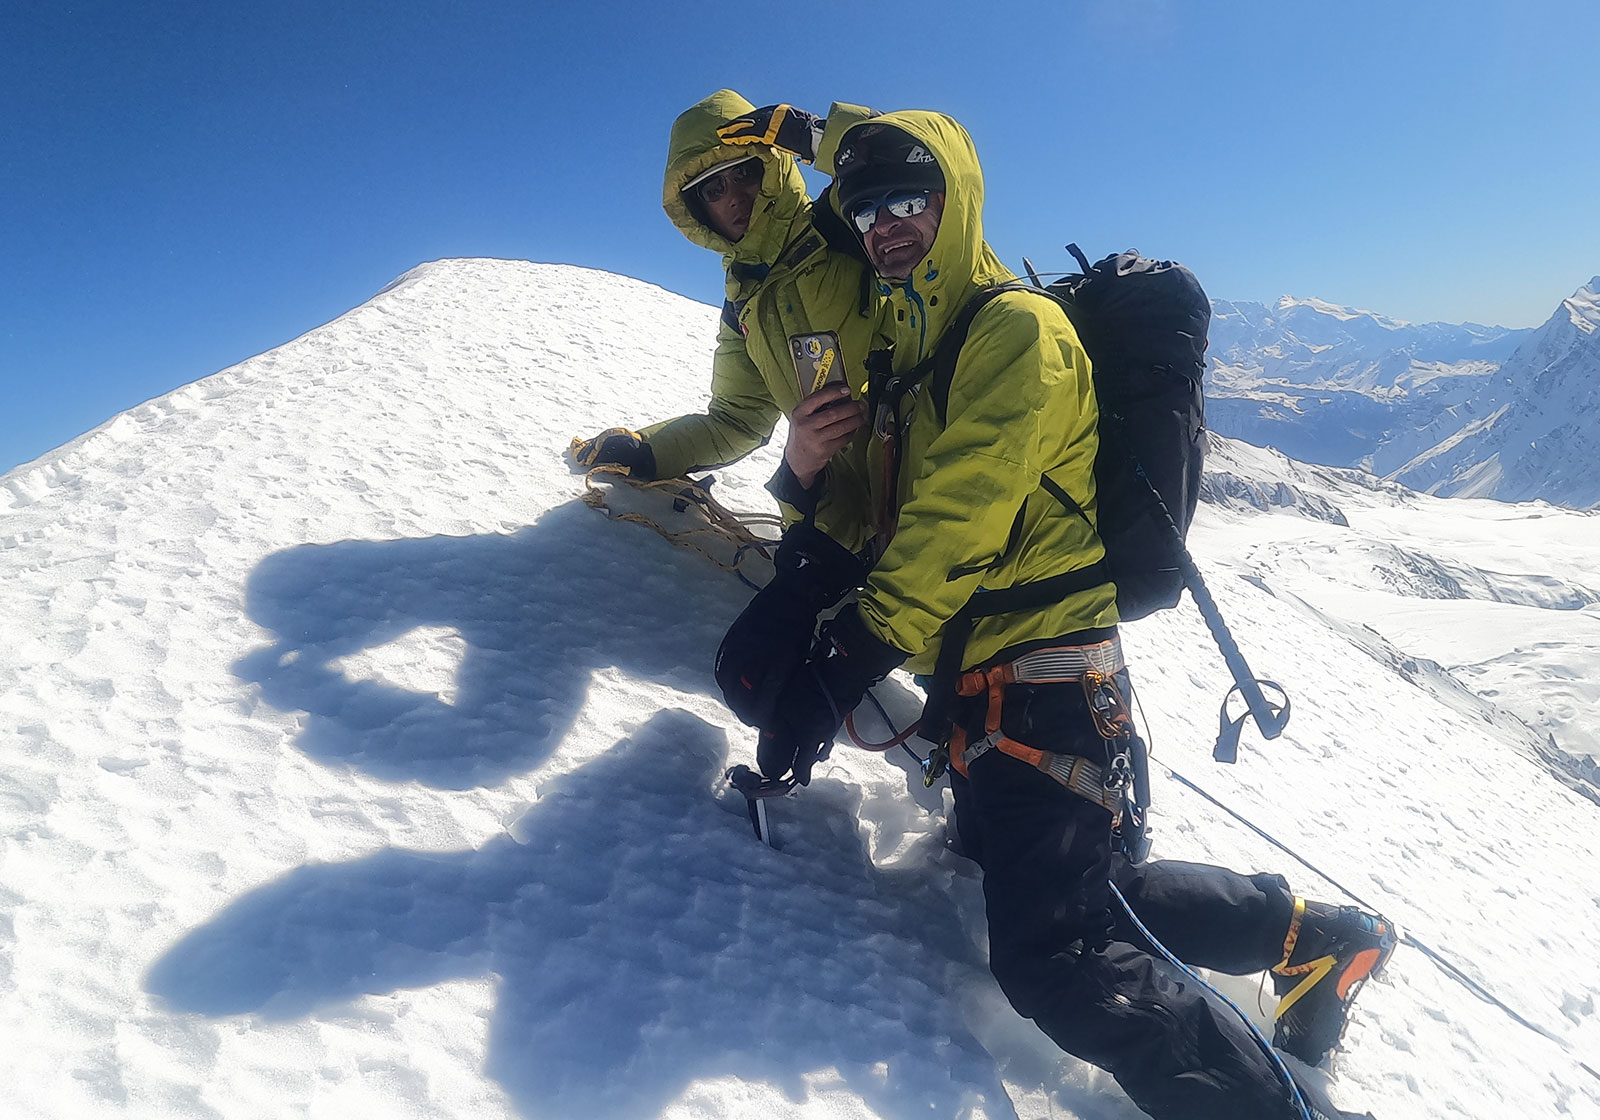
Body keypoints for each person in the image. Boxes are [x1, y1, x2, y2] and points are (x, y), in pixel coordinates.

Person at [726, 109, 1395, 1120]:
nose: (884, 223)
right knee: (1083, 892)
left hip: (1047, 689)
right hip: (996, 686)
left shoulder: (1015, 333)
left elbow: (956, 526)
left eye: (908, 198)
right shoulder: (909, 353)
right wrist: (801, 477)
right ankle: (1317, 940)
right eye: (862, 208)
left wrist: (843, 664)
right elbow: (880, 521)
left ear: (955, 200)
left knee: (1057, 952)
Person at [569, 89, 883, 543]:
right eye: (713, 189)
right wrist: (650, 452)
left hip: (942, 490)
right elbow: (738, 419)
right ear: (699, 210)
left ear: (772, 166)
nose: (734, 196)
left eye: (745, 172)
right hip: (847, 532)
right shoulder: (745, 303)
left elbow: (917, 167)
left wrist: (822, 137)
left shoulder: (850, 225)